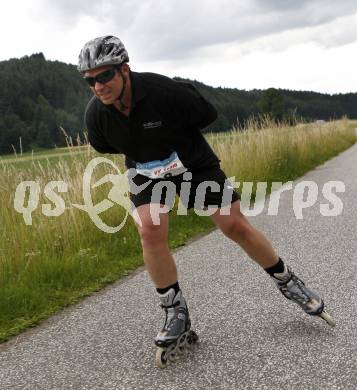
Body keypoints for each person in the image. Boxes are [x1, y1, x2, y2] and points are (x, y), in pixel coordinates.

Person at [78, 36, 334, 366]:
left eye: (105, 75)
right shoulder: (96, 116)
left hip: (193, 164)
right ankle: (175, 312)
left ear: (124, 69)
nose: (98, 86)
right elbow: (107, 146)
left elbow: (206, 113)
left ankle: (289, 283)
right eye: (90, 80)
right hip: (145, 171)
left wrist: (174, 142)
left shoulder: (164, 92)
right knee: (150, 230)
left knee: (234, 225)